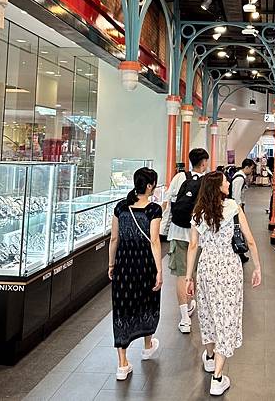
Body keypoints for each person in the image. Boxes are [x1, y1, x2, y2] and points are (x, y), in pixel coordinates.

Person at [186, 171, 262, 396]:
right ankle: (218, 378)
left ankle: (210, 357)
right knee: (227, 318)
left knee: (208, 313)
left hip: (207, 267)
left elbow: (193, 246)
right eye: (225, 182)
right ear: (218, 187)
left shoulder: (198, 212)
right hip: (229, 267)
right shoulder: (233, 208)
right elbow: (249, 240)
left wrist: (189, 277)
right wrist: (257, 267)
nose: (228, 183)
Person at [108, 167, 163, 381]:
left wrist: (111, 264)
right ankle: (147, 346)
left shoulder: (121, 207)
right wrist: (159, 270)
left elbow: (114, 238)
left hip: (124, 265)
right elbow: (154, 241)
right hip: (145, 265)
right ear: (149, 186)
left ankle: (122, 364)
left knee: (122, 308)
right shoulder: (153, 210)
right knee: (148, 302)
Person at [163, 148, 210, 333]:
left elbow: (168, 203)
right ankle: (191, 303)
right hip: (198, 235)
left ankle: (184, 318)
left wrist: (164, 229)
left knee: (181, 275)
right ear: (203, 163)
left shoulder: (179, 177)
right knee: (194, 271)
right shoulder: (207, 182)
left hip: (177, 232)